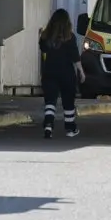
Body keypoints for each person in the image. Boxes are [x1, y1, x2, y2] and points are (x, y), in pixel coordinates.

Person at [39, 8, 86, 139]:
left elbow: (43, 48)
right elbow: (75, 57)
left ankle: (48, 125)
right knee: (68, 102)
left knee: (50, 100)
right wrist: (81, 72)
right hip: (67, 74)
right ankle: (70, 129)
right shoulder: (70, 38)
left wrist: (42, 36)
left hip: (49, 71)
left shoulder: (45, 36)